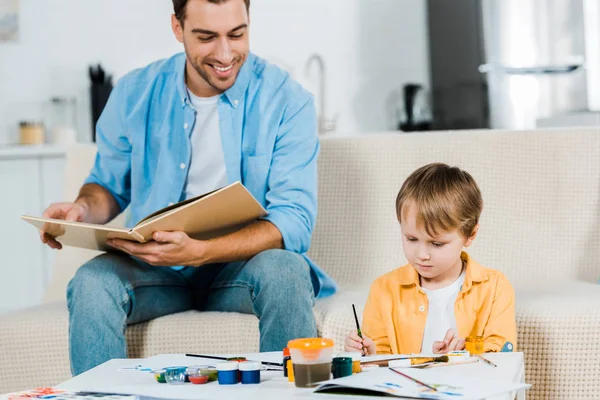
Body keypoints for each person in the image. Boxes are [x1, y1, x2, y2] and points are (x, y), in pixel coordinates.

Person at [39, 0, 337, 375]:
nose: (225, 53)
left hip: (241, 270)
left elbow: (294, 222)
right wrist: (80, 211)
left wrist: (202, 251)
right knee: (91, 282)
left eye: (237, 34)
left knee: (286, 271)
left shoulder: (287, 100)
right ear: (177, 29)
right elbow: (107, 187)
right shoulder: (135, 92)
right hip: (158, 270)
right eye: (207, 37)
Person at [345, 163, 516, 355]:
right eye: (411, 239)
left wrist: (462, 353)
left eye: (436, 244)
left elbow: (502, 353)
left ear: (470, 234)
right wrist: (369, 354)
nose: (422, 255)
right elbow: (380, 361)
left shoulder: (494, 288)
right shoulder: (383, 290)